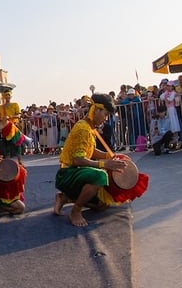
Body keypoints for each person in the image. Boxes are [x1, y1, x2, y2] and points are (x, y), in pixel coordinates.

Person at [53, 93, 128, 227]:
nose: (105, 119)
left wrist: (110, 156)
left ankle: (65, 197)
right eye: (105, 114)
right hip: (67, 173)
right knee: (100, 175)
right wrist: (103, 164)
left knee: (102, 205)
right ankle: (75, 211)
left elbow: (91, 151)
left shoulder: (89, 127)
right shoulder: (83, 128)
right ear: (96, 110)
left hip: (77, 171)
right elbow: (77, 160)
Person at [0, 89, 23, 160]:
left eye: (8, 95)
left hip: (14, 126)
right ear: (3, 97)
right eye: (6, 95)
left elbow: (18, 116)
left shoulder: (15, 104)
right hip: (5, 127)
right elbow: (0, 118)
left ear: (11, 96)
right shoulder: (1, 107)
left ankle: (20, 161)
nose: (7, 97)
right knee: (6, 145)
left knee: (17, 144)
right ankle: (8, 162)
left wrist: (10, 117)